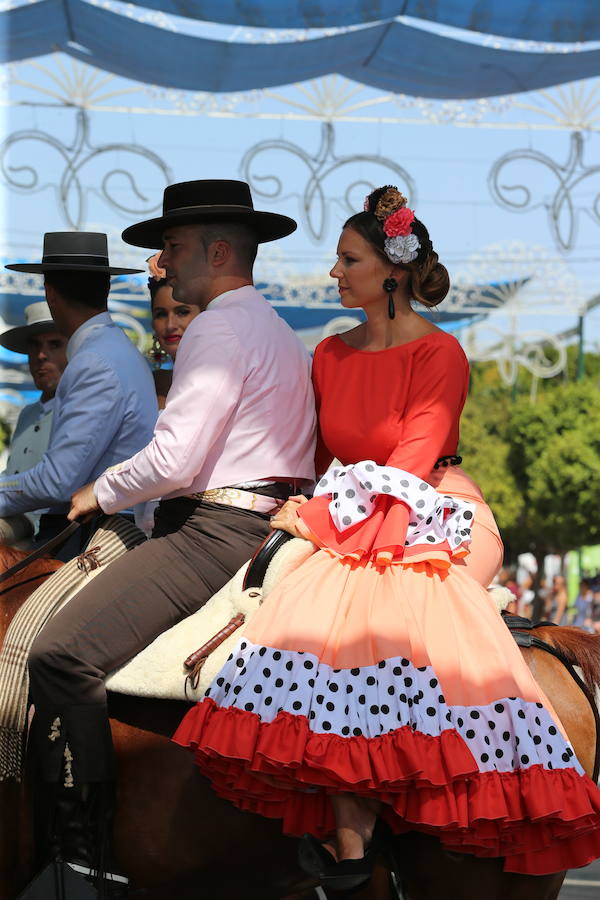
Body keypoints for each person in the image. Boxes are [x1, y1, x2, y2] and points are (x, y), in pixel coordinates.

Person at [173, 185, 600, 888]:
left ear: (391, 270)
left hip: (438, 508)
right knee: (314, 595)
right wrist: (295, 511)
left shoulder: (442, 355)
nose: (333, 275)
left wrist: (314, 522)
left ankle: (376, 828)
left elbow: (410, 473)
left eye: (347, 259)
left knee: (372, 597)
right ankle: (354, 826)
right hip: (348, 511)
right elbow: (315, 461)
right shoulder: (330, 356)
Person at [27, 180, 316, 889]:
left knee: (61, 652)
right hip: (255, 519)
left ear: (219, 252)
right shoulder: (275, 327)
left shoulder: (217, 326)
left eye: (175, 246)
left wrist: (100, 489)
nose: (164, 260)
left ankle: (83, 839)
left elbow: (177, 459)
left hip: (215, 527)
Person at [0, 232, 158, 560]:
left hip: (91, 534)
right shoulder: (112, 351)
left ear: (50, 293)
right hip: (94, 525)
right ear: (107, 289)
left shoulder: (94, 360)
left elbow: (56, 482)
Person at [0, 301, 68, 540]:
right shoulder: (28, 413)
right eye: (35, 345)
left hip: (51, 530)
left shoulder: (80, 411)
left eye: (55, 345)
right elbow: (11, 473)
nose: (41, 355)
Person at [146, 252, 201, 408]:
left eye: (182, 312)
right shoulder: (149, 383)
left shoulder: (225, 378)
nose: (170, 325)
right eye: (161, 314)